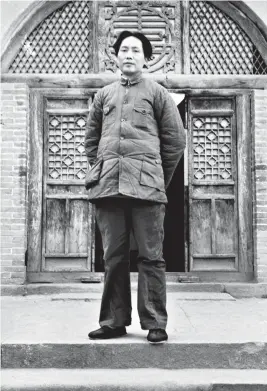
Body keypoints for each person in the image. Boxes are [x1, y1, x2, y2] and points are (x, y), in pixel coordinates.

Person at [84, 31, 186, 344]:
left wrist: (155, 175)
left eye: (136, 50)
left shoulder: (157, 93)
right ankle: (114, 322)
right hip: (109, 190)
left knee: (151, 258)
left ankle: (155, 322)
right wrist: (102, 168)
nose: (129, 55)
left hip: (147, 190)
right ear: (115, 57)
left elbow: (175, 141)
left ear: (145, 58)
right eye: (124, 50)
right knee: (113, 257)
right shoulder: (104, 96)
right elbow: (91, 141)